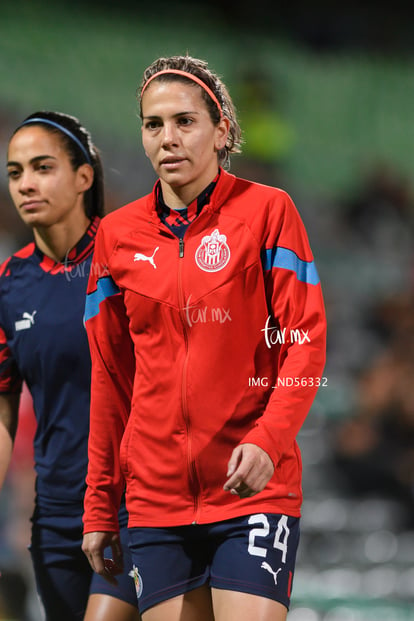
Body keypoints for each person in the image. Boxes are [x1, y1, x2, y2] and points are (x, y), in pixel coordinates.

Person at [82, 55, 327, 621]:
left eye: (185, 122)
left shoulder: (269, 212)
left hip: (252, 490)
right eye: (153, 124)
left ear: (222, 132)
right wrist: (99, 504)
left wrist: (268, 439)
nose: (167, 138)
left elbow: (305, 342)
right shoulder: (116, 237)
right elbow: (110, 377)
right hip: (155, 502)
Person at [0, 111, 140, 621]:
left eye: (42, 167)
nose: (26, 184)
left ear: (84, 177)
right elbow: (4, 413)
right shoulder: (9, 284)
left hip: (137, 507)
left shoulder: (132, 259)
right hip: (56, 519)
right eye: (15, 173)